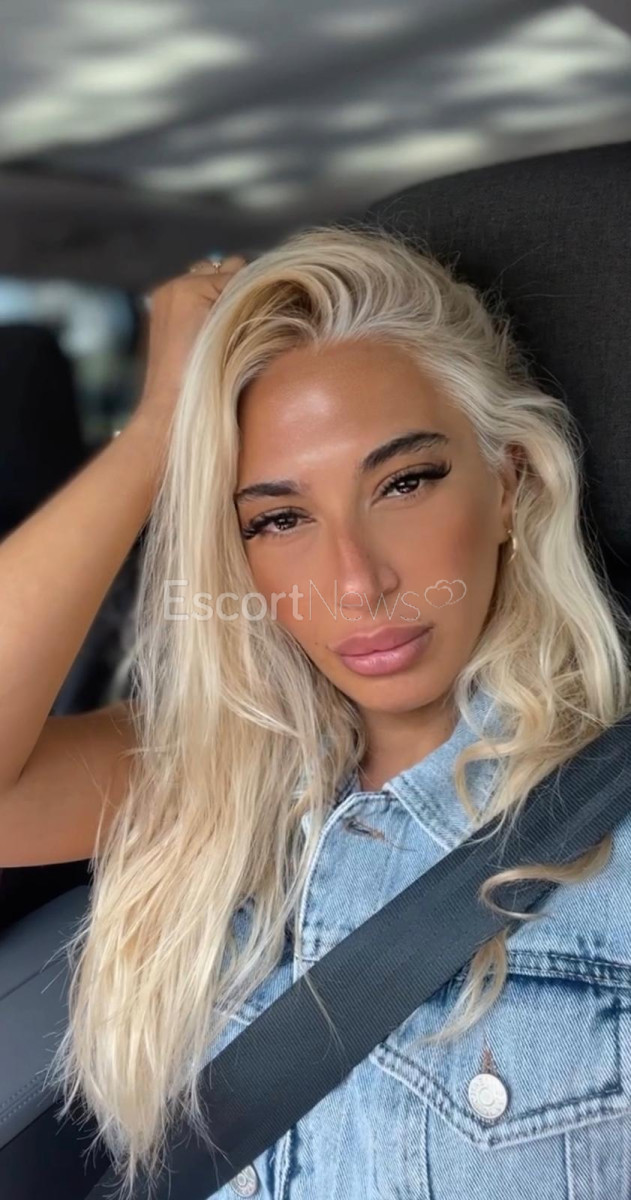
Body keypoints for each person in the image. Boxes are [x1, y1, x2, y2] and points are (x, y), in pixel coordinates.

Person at [0, 225, 630, 1200]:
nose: (355, 583)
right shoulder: (213, 774)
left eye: (404, 482)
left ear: (508, 484)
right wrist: (162, 428)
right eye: (279, 518)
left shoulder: (607, 827)